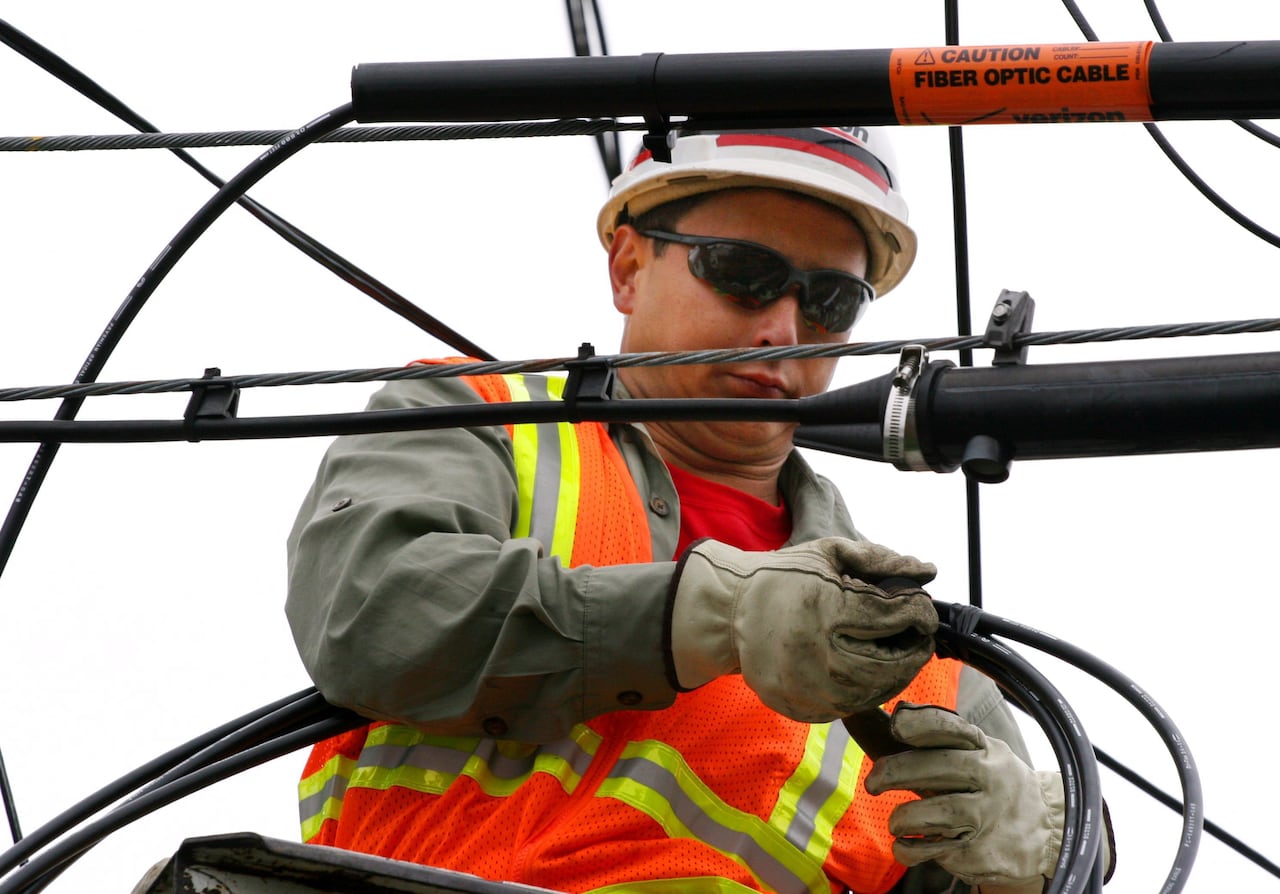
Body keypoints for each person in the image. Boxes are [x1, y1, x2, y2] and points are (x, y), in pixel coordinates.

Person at [286, 126, 1110, 894]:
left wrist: (1042, 846)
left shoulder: (915, 655)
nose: (783, 329)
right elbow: (371, 611)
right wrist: (712, 611)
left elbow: (1026, 851)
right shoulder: (479, 418)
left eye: (830, 301)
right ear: (628, 266)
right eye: (742, 273)